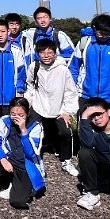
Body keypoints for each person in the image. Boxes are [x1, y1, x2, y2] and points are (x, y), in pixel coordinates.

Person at [24, 39, 79, 177]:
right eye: (43, 52)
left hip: (59, 108)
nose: (46, 55)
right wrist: (29, 100)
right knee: (32, 131)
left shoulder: (62, 69)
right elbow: (29, 85)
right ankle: (33, 159)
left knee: (65, 132)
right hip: (39, 105)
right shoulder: (34, 67)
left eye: (50, 52)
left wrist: (68, 112)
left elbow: (70, 92)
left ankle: (66, 160)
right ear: (37, 53)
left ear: (55, 53)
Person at [0, 97, 45, 209]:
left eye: (21, 115)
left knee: (17, 202)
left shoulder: (36, 127)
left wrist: (24, 131)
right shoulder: (4, 121)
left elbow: (31, 153)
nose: (16, 117)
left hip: (25, 164)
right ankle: (8, 182)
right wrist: (3, 159)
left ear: (28, 113)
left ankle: (22, 185)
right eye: (13, 114)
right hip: (9, 159)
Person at [69, 15, 110, 114]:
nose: (104, 37)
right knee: (85, 123)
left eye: (108, 34)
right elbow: (73, 69)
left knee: (109, 124)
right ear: (94, 28)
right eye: (101, 33)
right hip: (85, 96)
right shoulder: (84, 43)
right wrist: (71, 92)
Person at [0, 19, 26, 120]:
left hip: (12, 98)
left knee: (12, 125)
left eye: (3, 31)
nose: (0, 35)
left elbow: (21, 74)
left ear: (8, 31)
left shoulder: (16, 51)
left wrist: (19, 91)